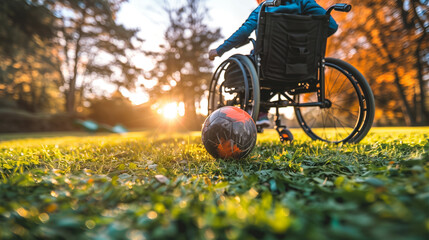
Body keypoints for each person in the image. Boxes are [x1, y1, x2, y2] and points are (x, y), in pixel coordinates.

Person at [208, 0, 338, 128]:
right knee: (261, 68)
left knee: (243, 68)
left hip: (269, 68)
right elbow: (332, 26)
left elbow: (243, 33)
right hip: (301, 66)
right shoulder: (305, 3)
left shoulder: (266, 7)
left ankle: (255, 109)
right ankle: (262, 111)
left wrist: (219, 50)